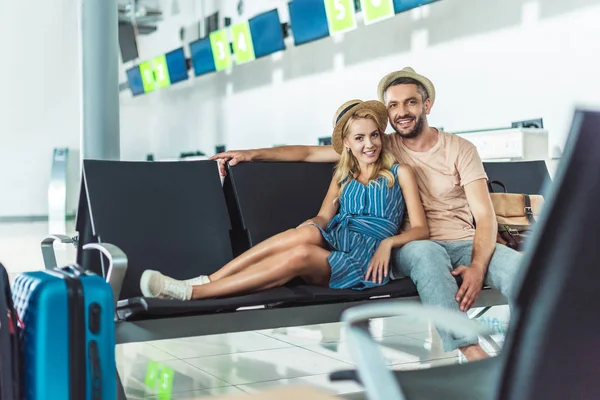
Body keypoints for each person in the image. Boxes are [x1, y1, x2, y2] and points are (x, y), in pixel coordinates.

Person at [211, 67, 523, 361]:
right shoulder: (380, 145)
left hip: (464, 241)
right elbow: (307, 152)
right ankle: (470, 352)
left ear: (427, 105)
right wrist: (250, 153)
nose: (402, 112)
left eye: (410, 102)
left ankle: (546, 349)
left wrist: (478, 267)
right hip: (411, 245)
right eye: (394, 105)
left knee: (524, 270)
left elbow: (484, 217)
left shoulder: (461, 149)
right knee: (428, 253)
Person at [139, 99, 429, 302]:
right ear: (348, 145)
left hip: (365, 259)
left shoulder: (399, 172)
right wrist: (252, 154)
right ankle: (206, 280)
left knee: (301, 254)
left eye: (375, 135)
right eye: (360, 138)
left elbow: (420, 228)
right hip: (337, 239)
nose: (370, 144)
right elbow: (323, 216)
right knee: (304, 234)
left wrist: (387, 244)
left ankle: (194, 293)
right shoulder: (344, 175)